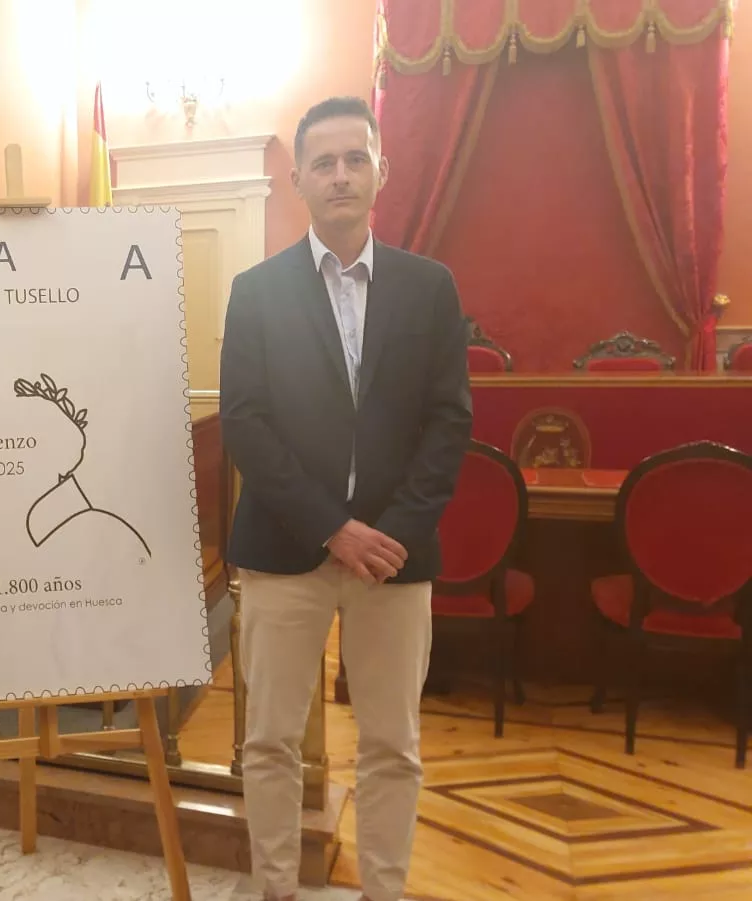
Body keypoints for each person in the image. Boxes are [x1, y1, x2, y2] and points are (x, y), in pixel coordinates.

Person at [219, 96, 472, 901]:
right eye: (323, 162)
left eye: (354, 158)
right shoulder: (256, 292)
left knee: (393, 745)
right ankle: (276, 889)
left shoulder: (431, 288)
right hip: (286, 548)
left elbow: (448, 423)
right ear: (298, 180)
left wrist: (385, 533)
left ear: (379, 171)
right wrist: (335, 528)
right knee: (268, 741)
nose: (339, 175)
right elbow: (246, 425)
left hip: (394, 557)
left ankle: (384, 891)